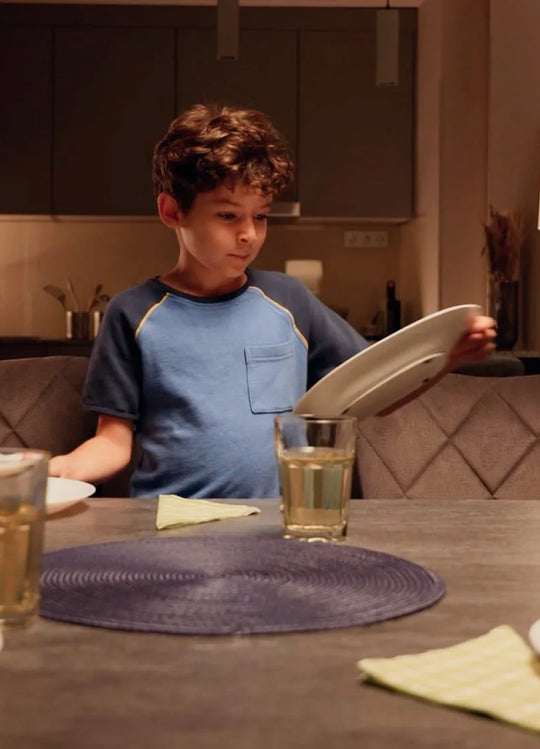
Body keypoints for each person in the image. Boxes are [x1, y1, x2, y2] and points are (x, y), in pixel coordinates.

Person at [49, 104, 495, 498]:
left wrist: (445, 359)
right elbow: (112, 443)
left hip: (278, 525)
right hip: (169, 527)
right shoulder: (132, 314)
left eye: (260, 216)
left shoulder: (289, 301)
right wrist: (57, 471)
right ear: (172, 212)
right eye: (228, 215)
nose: (248, 233)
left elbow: (373, 394)